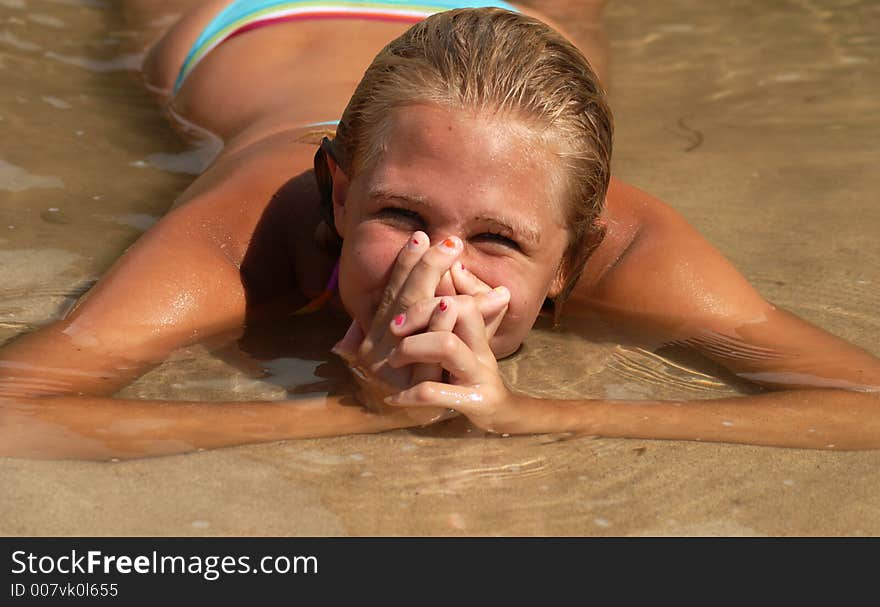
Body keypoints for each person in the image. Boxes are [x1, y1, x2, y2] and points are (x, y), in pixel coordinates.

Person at [0, 1, 878, 461]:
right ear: (335, 194)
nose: (440, 267)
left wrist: (524, 414)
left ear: (575, 258)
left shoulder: (628, 248)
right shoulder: (242, 241)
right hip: (242, 14)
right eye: (399, 215)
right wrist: (355, 417)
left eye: (498, 238)